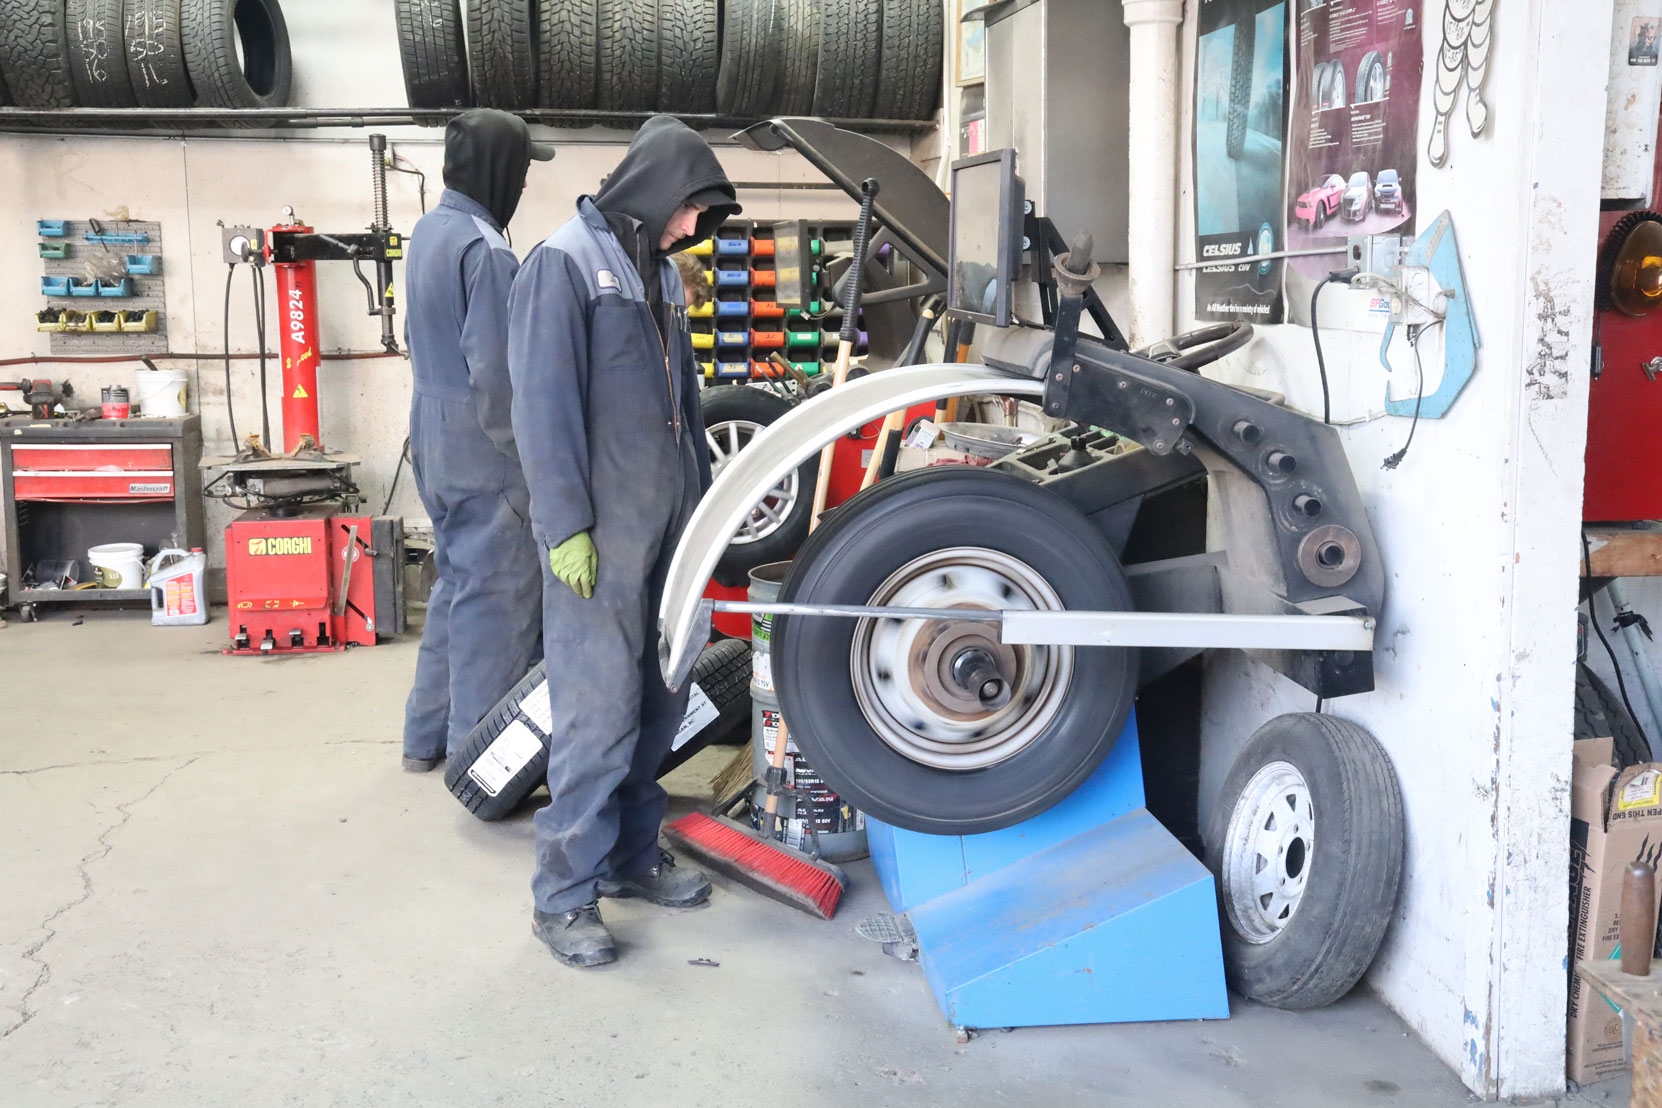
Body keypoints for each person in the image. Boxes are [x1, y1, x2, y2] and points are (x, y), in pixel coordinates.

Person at [508, 116, 739, 967]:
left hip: (670, 530)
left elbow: (687, 407)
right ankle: (563, 895)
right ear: (651, 189)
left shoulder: (662, 277)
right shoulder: (563, 264)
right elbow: (539, 408)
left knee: (663, 702)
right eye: (687, 210)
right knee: (598, 712)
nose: (691, 229)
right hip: (598, 541)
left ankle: (630, 857)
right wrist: (564, 525)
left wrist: (706, 511)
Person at [399, 109, 553, 773]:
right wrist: (534, 462)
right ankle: (476, 757)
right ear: (501, 170)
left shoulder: (431, 230)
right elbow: (498, 374)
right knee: (498, 599)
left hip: (431, 426)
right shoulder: (488, 250)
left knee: (457, 584)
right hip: (480, 441)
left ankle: (423, 737)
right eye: (520, 168)